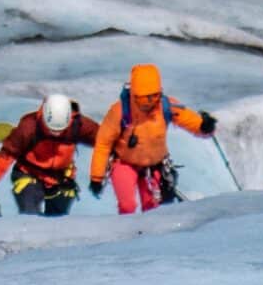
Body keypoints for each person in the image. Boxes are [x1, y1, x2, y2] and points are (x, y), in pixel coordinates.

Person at [89, 63, 216, 215]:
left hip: (154, 167)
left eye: (152, 97)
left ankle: (150, 231)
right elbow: (103, 143)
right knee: (127, 206)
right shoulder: (120, 111)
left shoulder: (166, 106)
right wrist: (97, 176)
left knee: (152, 209)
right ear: (134, 94)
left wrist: (204, 126)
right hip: (124, 163)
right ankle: (126, 229)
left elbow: (189, 119)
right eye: (142, 99)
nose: (148, 103)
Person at [0, 93, 101, 216]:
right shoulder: (29, 126)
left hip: (61, 177)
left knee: (58, 218)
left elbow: (104, 140)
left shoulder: (78, 124)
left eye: (60, 130)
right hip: (29, 173)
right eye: (52, 129)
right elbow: (8, 152)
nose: (56, 133)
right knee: (30, 213)